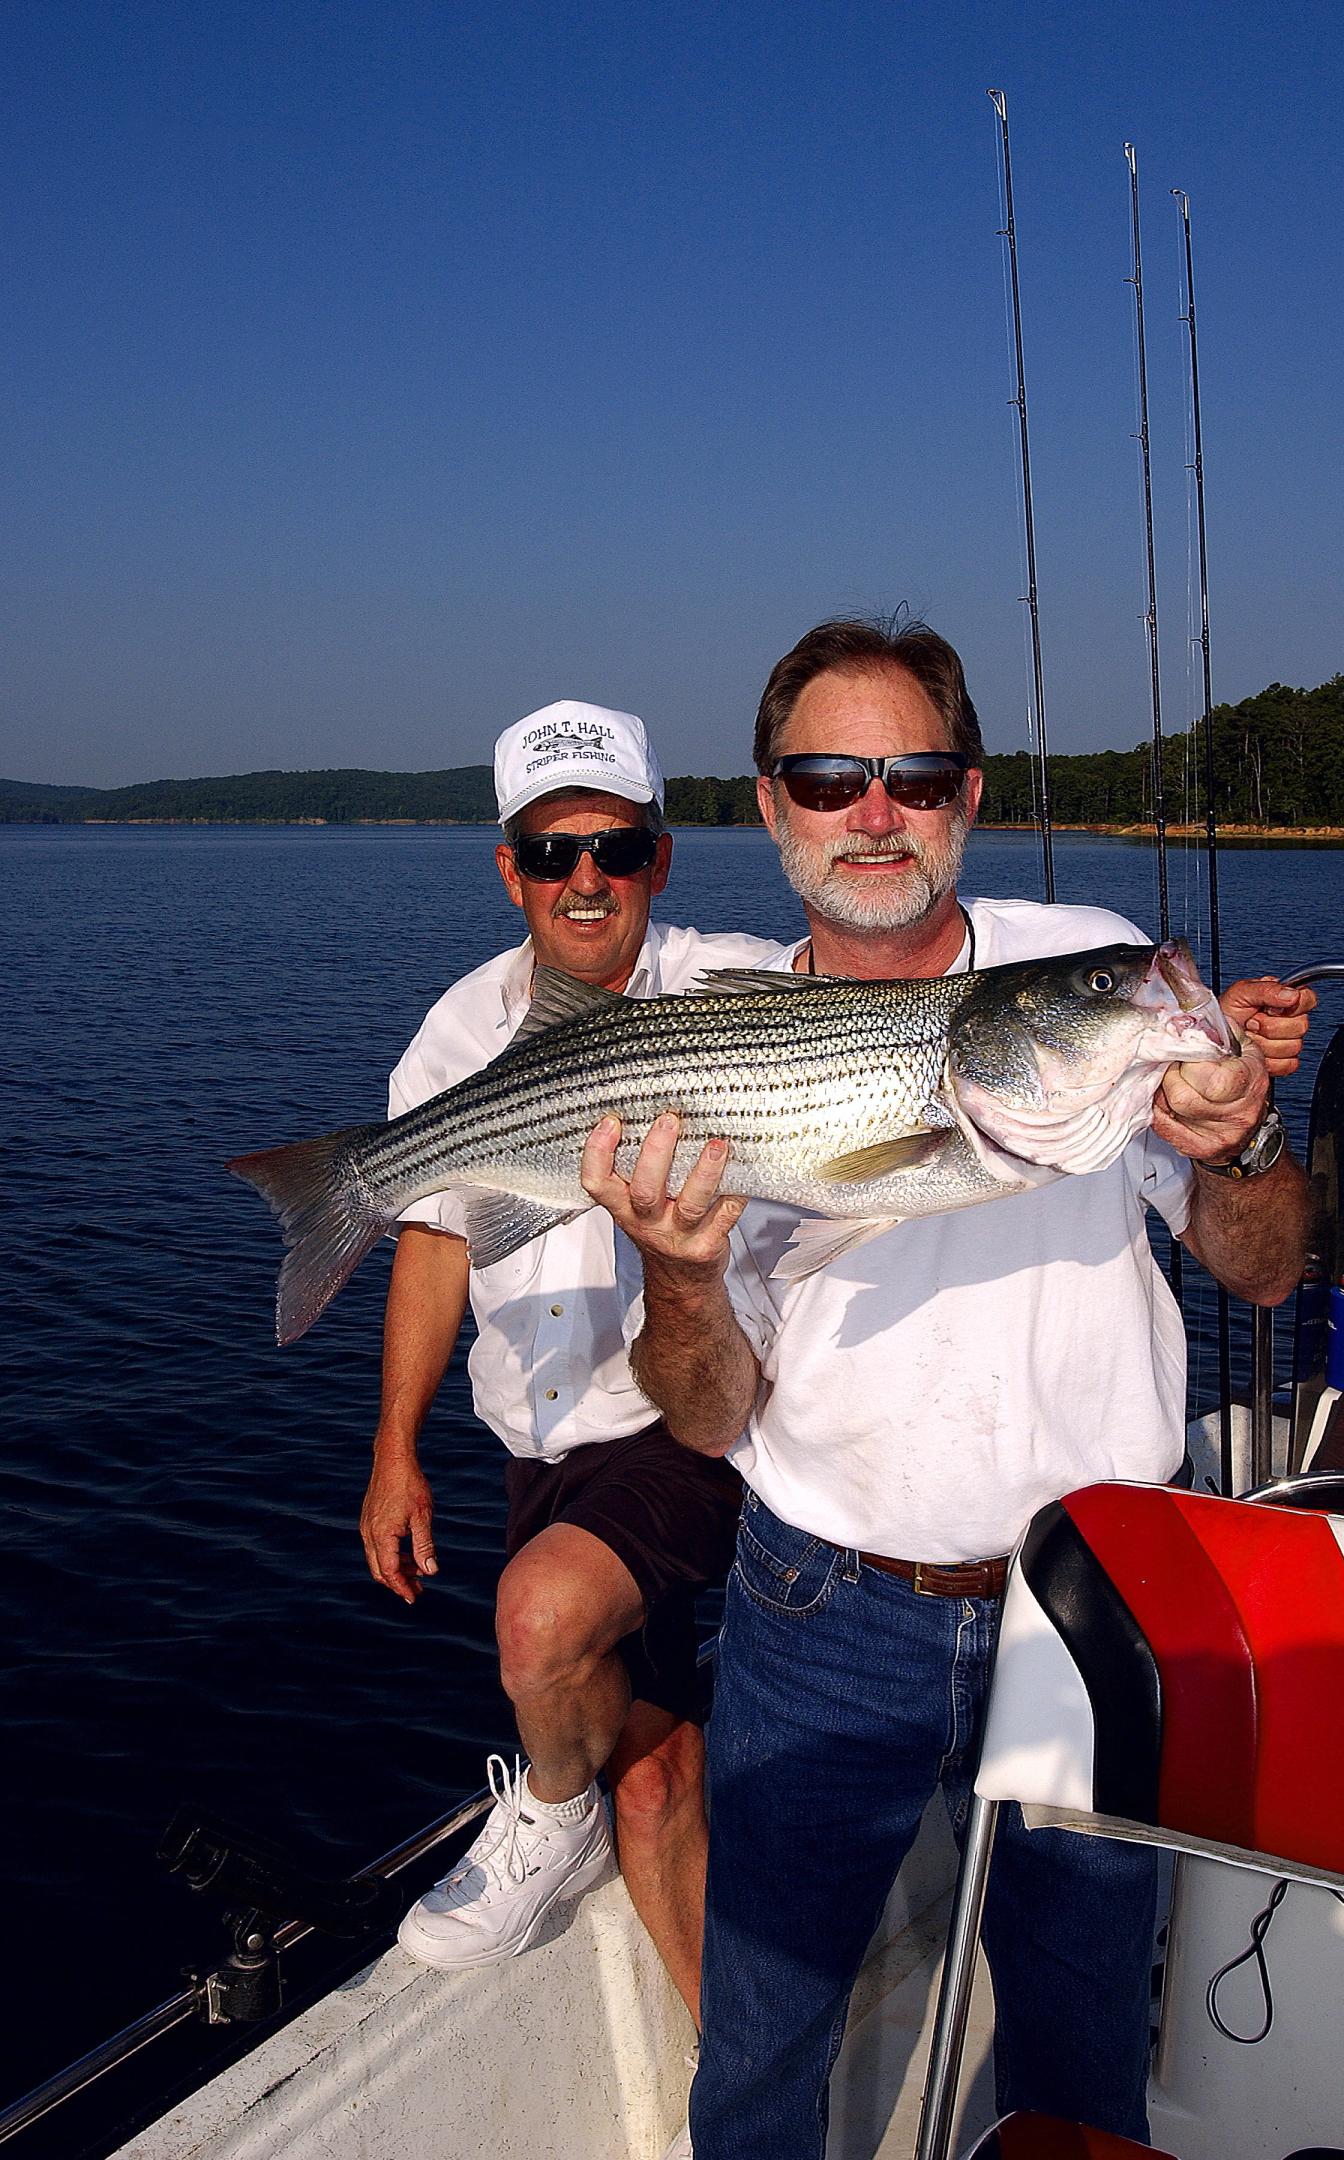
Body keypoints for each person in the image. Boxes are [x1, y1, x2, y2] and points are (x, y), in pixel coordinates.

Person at [580, 619, 1315, 2155]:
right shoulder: (713, 1035)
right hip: (818, 1612)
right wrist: (683, 1272)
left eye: (911, 775)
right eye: (829, 777)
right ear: (771, 809)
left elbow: (1262, 1269)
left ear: (966, 798)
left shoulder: (1092, 974)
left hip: (1100, 1594)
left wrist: (1240, 1139)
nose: (874, 811)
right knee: (766, 2044)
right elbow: (708, 1417)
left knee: (1079, 2026)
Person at [362, 700, 776, 2024]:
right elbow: (434, 1245)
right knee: (651, 1769)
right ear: (509, 869)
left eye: (614, 847)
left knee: (540, 1622)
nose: (584, 880)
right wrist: (395, 1451)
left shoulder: (740, 983)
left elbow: (889, 1013)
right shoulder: (455, 1030)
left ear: (661, 856)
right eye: (551, 854)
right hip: (529, 1441)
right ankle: (738, 2078)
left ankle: (547, 1804)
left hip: (680, 1418)